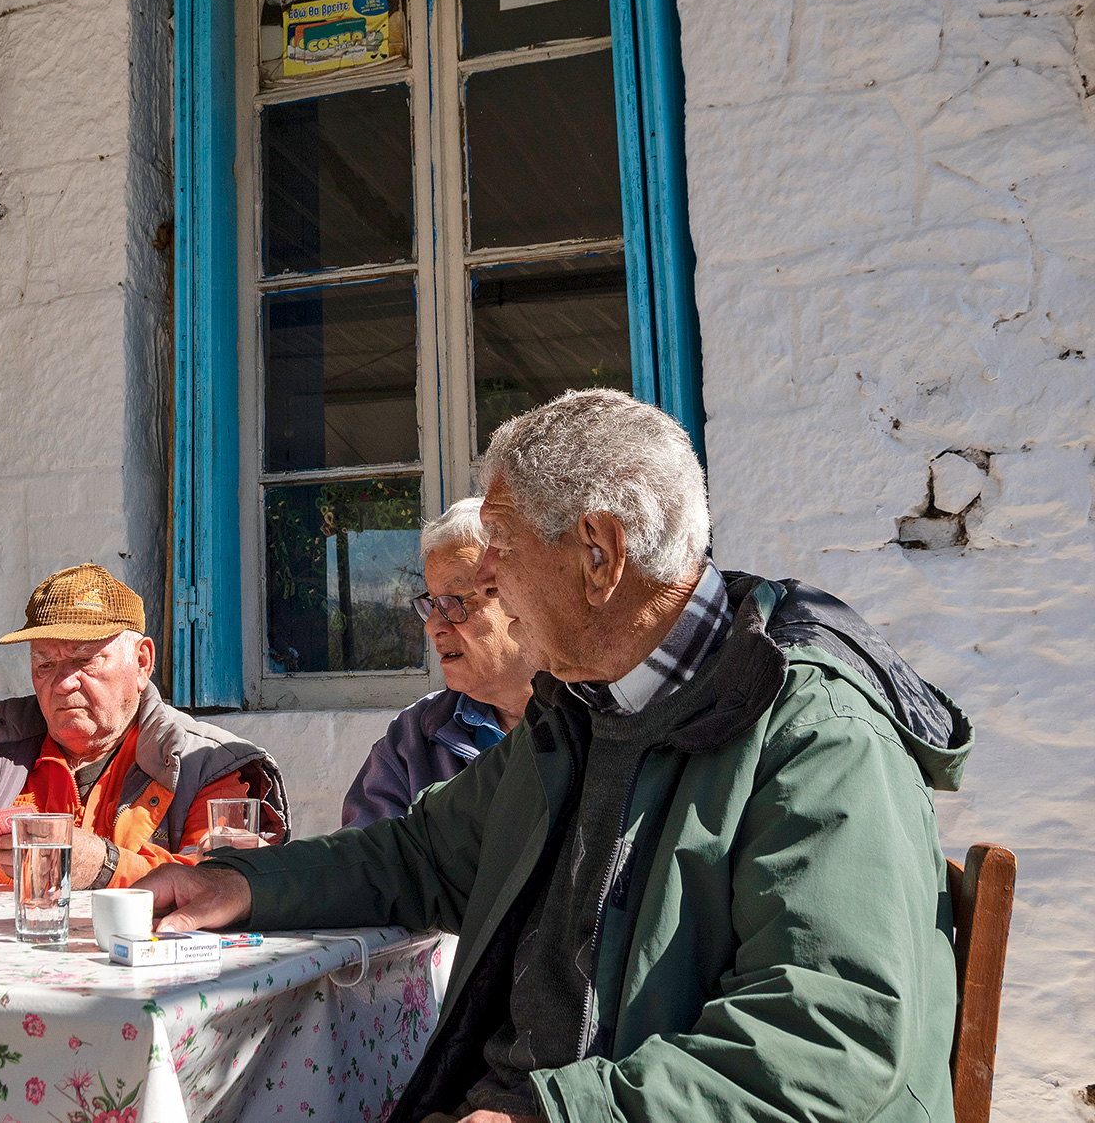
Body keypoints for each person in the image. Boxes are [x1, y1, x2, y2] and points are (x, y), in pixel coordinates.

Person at [137, 388, 971, 1123]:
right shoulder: (585, 707)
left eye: (500, 543)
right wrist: (241, 884)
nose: (486, 578)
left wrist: (548, 1114)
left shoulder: (813, 732)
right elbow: (421, 851)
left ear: (599, 556)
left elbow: (832, 1036)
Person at [0, 563, 288, 889]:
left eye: (84, 660)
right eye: (45, 664)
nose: (63, 683)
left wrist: (103, 865)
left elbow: (227, 884)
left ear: (142, 663)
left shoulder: (203, 763)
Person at [342, 497, 537, 826]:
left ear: (524, 595)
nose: (433, 626)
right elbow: (365, 861)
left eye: (452, 601)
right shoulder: (412, 741)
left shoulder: (598, 718)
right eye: (431, 603)